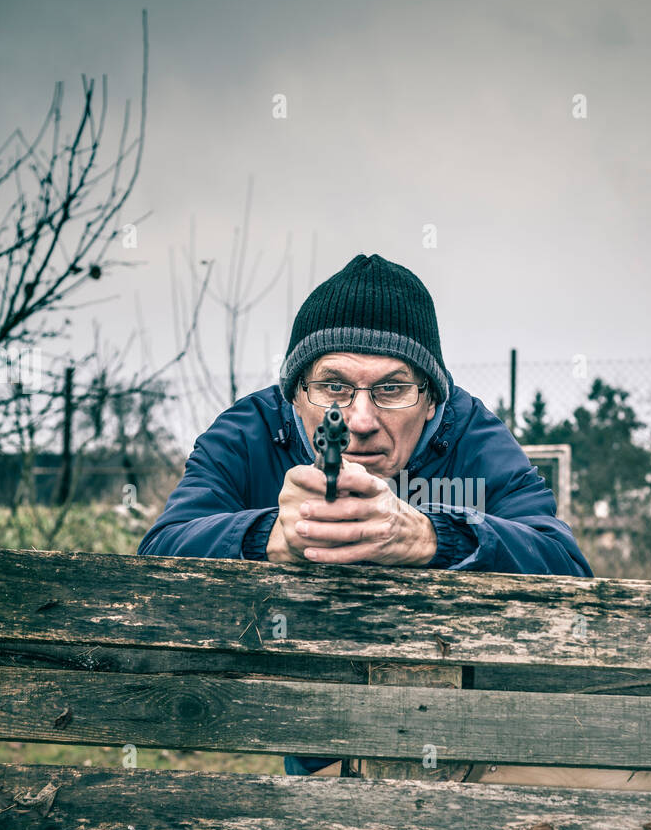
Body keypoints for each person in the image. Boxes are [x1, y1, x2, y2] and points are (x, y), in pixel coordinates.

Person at [139, 251, 593, 773]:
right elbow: (159, 552)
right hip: (309, 728)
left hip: (473, 729)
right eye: (333, 386)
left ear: (431, 399)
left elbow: (566, 569)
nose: (359, 419)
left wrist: (431, 538)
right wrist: (268, 536)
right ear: (296, 392)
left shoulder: (474, 435)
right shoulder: (248, 431)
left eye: (392, 389)